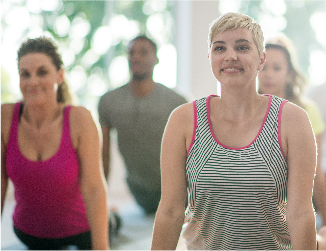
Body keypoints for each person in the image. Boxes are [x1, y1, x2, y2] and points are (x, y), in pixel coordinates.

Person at [151, 12, 322, 250]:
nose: (230, 56)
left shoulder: (293, 120)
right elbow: (170, 212)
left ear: (261, 59)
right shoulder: (183, 120)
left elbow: (301, 214)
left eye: (242, 47)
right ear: (210, 56)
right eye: (220, 48)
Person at [1, 37, 109, 250]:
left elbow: (94, 188)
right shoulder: (5, 117)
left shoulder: (80, 119)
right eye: (25, 74)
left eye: (42, 72)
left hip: (81, 233)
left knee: (112, 222)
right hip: (28, 234)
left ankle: (112, 214)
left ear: (59, 76)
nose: (33, 81)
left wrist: (102, 248)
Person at [98, 35, 187, 214]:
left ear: (156, 59)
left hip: (179, 193)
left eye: (143, 52)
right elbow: (104, 155)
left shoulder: (177, 102)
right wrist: (101, 203)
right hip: (140, 193)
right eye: (131, 52)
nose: (136, 57)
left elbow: (192, 152)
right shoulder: (109, 101)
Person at [258, 38, 326, 227]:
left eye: (277, 68)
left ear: (289, 74)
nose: (268, 75)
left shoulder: (307, 111)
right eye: (263, 67)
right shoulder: (243, 110)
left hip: (294, 213)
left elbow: (316, 174)